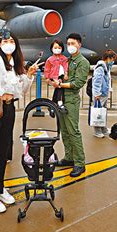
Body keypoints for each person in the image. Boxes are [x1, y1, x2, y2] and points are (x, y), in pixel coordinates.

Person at [0, 29, 40, 213]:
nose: (8, 43)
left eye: (11, 40)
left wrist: (28, 75)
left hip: (9, 108)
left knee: (3, 150)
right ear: (0, 43)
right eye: (5, 40)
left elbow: (21, 91)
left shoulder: (16, 64)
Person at [51, 33, 90, 178]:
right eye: (68, 44)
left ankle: (80, 162)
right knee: (65, 131)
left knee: (73, 131)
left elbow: (77, 83)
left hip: (71, 100)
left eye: (73, 43)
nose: (70, 46)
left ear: (79, 44)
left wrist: (60, 84)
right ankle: (69, 157)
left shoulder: (82, 62)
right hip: (61, 98)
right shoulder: (67, 60)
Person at [92, 49, 117, 138]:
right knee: (98, 112)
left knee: (103, 112)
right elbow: (97, 81)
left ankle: (103, 128)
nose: (113, 61)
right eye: (113, 59)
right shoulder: (100, 67)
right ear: (108, 58)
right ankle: (97, 131)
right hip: (100, 94)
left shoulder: (106, 67)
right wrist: (97, 94)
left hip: (104, 92)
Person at [44, 39, 68, 111]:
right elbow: (47, 69)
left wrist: (66, 74)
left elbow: (66, 67)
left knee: (58, 88)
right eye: (55, 48)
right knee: (59, 88)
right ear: (51, 48)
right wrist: (47, 78)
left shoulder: (64, 58)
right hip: (54, 76)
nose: (57, 49)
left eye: (59, 48)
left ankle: (53, 105)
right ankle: (59, 102)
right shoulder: (50, 59)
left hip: (61, 76)